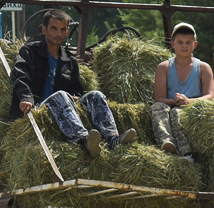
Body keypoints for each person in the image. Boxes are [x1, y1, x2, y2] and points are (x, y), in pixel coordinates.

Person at [10, 9, 137, 157]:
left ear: (67, 31)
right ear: (44, 29)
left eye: (63, 29)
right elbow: (19, 74)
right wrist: (26, 97)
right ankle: (84, 139)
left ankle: (112, 138)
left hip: (61, 110)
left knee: (96, 95)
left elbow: (76, 90)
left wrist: (75, 97)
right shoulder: (30, 51)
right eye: (54, 28)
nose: (59, 33)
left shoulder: (69, 61)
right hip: (37, 109)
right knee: (61, 95)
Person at [151, 22, 214, 158]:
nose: (184, 46)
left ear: (194, 45)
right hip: (171, 104)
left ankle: (187, 153)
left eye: (188, 42)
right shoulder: (164, 67)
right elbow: (159, 98)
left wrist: (188, 101)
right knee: (158, 107)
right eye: (180, 42)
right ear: (173, 44)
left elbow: (210, 95)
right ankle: (167, 143)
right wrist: (175, 101)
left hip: (195, 107)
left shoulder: (203, 68)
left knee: (177, 113)